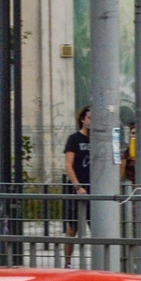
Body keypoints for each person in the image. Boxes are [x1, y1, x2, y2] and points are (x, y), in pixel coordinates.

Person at [59, 108, 90, 261]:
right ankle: (67, 262)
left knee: (98, 227)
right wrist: (77, 185)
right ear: (83, 120)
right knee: (72, 228)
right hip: (78, 187)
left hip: (94, 188)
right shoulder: (75, 139)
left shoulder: (99, 140)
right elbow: (68, 165)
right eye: (90, 118)